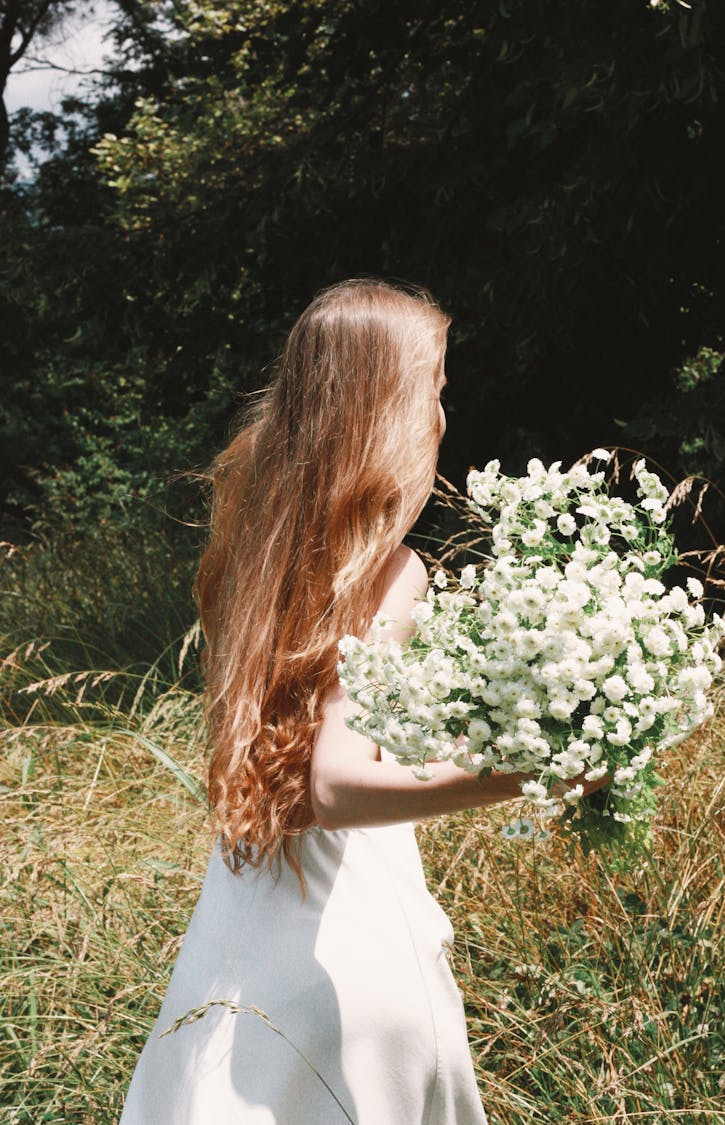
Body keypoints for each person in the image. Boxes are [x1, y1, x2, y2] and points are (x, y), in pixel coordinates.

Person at [119, 279, 605, 1124]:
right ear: (387, 412)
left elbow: (302, 761)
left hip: (237, 954)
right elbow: (336, 783)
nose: (443, 419)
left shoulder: (247, 552)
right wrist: (525, 772)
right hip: (350, 963)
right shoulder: (389, 568)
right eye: (433, 393)